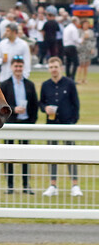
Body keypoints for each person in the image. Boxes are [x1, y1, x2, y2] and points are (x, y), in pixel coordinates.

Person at [39, 57, 82, 198]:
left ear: (61, 68)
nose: (53, 69)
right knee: (52, 155)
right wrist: (45, 108)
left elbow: (76, 104)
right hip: (51, 126)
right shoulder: (45, 85)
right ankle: (53, 185)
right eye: (51, 67)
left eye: (56, 66)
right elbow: (41, 103)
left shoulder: (69, 84)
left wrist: (72, 123)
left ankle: (75, 185)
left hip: (67, 126)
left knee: (71, 155)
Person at [0, 57, 37, 195]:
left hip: (25, 125)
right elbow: (0, 105)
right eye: (16, 66)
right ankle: (10, 186)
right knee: (9, 156)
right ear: (11, 67)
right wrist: (13, 109)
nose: (18, 69)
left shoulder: (29, 85)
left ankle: (26, 185)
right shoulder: (4, 85)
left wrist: (31, 122)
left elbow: (34, 105)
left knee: (25, 157)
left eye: (20, 66)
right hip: (10, 124)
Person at [76, 19, 95, 85]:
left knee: (86, 65)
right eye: (85, 24)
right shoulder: (79, 31)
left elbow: (93, 40)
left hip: (88, 49)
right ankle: (78, 79)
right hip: (81, 50)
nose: (86, 25)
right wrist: (83, 37)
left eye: (87, 24)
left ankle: (84, 79)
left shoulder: (91, 32)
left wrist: (92, 48)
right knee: (81, 64)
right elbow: (77, 40)